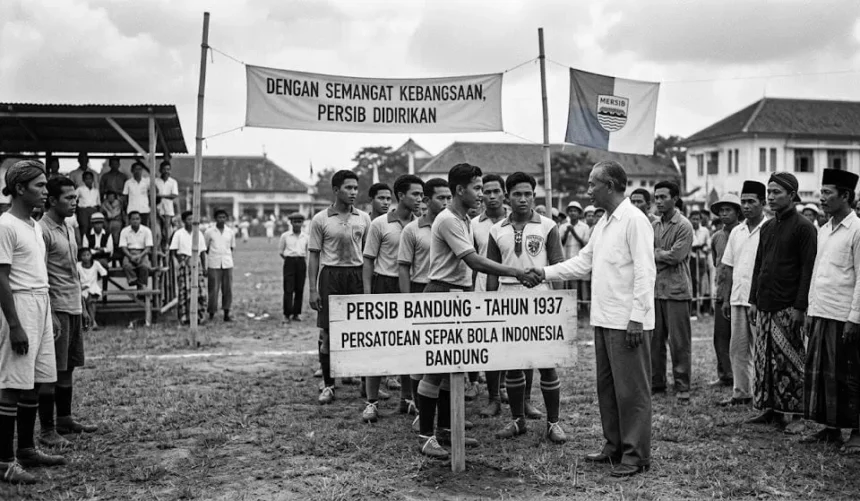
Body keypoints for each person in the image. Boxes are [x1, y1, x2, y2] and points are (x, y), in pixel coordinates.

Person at [527, 160, 655, 477]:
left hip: (627, 322)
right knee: (608, 389)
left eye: (592, 184)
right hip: (604, 318)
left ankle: (636, 454)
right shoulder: (605, 223)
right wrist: (543, 272)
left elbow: (645, 272)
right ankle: (614, 445)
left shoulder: (635, 221)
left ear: (609, 185)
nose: (587, 191)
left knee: (632, 391)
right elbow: (583, 263)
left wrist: (637, 317)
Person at [415, 163, 533, 459]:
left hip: (458, 294)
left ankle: (446, 430)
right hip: (442, 293)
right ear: (459, 190)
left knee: (451, 368)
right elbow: (474, 262)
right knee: (435, 370)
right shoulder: (448, 220)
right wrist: (514, 272)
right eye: (477, 188)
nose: (481, 194)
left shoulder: (462, 218)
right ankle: (426, 436)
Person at [486, 172, 567, 444]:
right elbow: (491, 273)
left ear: (534, 195)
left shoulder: (547, 226)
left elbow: (557, 267)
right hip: (507, 296)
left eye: (528, 194)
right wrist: (489, 305)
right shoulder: (496, 230)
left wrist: (557, 306)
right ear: (508, 196)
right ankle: (518, 420)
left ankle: (553, 423)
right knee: (513, 364)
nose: (523, 199)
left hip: (539, 297)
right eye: (517, 194)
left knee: (546, 363)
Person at [0, 160, 65, 484]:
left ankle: (26, 449)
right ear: (20, 188)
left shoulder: (34, 226)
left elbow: (39, 275)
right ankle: (5, 462)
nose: (45, 191)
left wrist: (49, 311)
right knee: (13, 383)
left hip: (40, 303)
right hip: (20, 304)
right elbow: (2, 277)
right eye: (39, 186)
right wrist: (14, 325)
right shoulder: (5, 225)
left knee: (37, 381)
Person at [748, 172, 817, 433]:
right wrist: (753, 300)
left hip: (788, 305)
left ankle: (797, 415)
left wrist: (801, 307)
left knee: (791, 360)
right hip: (765, 304)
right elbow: (759, 266)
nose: (771, 196)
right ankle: (772, 411)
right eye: (770, 191)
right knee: (764, 359)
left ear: (792, 195)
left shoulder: (804, 227)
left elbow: (807, 271)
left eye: (777, 192)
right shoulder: (767, 227)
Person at [38, 175, 99, 452]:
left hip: (73, 306)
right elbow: (40, 276)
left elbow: (73, 272)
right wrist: (49, 313)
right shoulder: (42, 231)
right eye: (69, 198)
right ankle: (47, 430)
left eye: (76, 198)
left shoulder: (68, 227)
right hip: (56, 308)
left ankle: (65, 420)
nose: (75, 202)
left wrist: (84, 307)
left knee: (69, 367)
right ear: (51, 200)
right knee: (52, 371)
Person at [802, 169, 860, 448]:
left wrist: (854, 318)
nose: (821, 198)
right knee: (825, 375)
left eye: (827, 193)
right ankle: (831, 428)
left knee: (850, 375)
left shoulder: (857, 230)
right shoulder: (824, 230)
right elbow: (817, 273)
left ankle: (857, 432)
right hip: (822, 312)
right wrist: (811, 310)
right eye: (821, 192)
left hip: (844, 315)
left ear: (845, 196)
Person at [361, 175, 424, 423]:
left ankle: (407, 399)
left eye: (422, 195)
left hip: (410, 286)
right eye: (415, 194)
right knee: (379, 345)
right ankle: (371, 402)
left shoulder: (422, 223)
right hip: (384, 283)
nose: (420, 199)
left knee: (410, 344)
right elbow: (368, 259)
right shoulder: (379, 223)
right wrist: (367, 294)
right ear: (401, 196)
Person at [308, 171, 372, 405]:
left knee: (361, 332)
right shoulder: (321, 219)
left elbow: (367, 255)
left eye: (356, 188)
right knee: (327, 332)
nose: (353, 192)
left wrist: (367, 286)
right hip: (331, 276)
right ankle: (328, 385)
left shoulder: (364, 218)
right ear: (336, 190)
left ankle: (366, 383)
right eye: (348, 188)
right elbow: (314, 256)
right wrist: (313, 290)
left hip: (356, 275)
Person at [397, 178, 451, 431]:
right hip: (421, 289)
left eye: (449, 197)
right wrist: (408, 302)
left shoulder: (456, 224)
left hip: (446, 292)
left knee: (446, 358)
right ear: (427, 201)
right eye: (441, 198)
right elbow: (404, 267)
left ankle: (447, 419)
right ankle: (421, 412)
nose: (447, 202)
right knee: (421, 358)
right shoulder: (412, 230)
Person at [719, 181, 768, 407]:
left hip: (760, 300)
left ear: (763, 203)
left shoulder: (770, 229)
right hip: (738, 298)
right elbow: (728, 266)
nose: (746, 206)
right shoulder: (737, 232)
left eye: (751, 202)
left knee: (761, 350)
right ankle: (741, 393)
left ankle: (763, 396)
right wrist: (727, 298)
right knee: (737, 348)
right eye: (744, 202)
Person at [472, 174, 512, 412]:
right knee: (488, 342)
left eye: (496, 191)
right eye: (487, 192)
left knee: (511, 342)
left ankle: (513, 390)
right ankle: (493, 396)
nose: (492, 196)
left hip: (510, 287)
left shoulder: (515, 220)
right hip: (483, 288)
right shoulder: (474, 224)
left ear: (504, 193)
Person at [651, 181, 694, 402]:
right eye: (656, 197)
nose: (658, 201)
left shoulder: (684, 225)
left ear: (675, 198)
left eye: (663, 197)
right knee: (654, 341)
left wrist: (656, 254)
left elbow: (676, 256)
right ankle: (657, 383)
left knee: (679, 343)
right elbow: (644, 253)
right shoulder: (654, 225)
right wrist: (660, 254)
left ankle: (682, 385)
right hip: (656, 290)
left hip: (677, 291)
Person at [709, 194, 743, 389]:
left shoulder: (743, 233)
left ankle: (741, 377)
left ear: (737, 212)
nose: (724, 214)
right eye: (721, 211)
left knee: (740, 338)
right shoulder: (717, 237)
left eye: (728, 210)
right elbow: (717, 262)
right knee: (720, 336)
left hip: (740, 293)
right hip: (722, 293)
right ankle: (725, 375)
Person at [170, 211, 207, 325]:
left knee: (199, 291)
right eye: (189, 219)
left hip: (197, 263)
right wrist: (181, 261)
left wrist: (204, 268)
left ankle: (199, 316)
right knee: (184, 291)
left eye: (193, 219)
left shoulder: (199, 234)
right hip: (184, 263)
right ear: (184, 221)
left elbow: (202, 252)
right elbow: (173, 250)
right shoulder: (178, 233)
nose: (191, 222)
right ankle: (184, 317)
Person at [204, 209, 235, 322]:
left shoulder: (230, 232)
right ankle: (211, 312)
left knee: (227, 289)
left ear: (226, 219)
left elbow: (231, 247)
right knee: (213, 289)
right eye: (219, 217)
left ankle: (227, 312)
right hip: (214, 263)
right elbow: (205, 248)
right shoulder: (209, 232)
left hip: (227, 263)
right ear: (215, 219)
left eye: (223, 217)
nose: (221, 219)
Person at [279, 213, 308, 323]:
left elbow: (307, 251)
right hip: (289, 262)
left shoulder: (306, 237)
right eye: (295, 221)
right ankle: (287, 314)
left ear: (302, 223)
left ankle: (296, 313)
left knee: (299, 288)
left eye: (299, 222)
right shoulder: (285, 236)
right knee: (288, 288)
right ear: (291, 223)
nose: (297, 224)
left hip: (301, 262)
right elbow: (281, 251)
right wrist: (289, 260)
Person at [561, 201, 590, 302]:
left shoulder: (584, 227)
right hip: (566, 258)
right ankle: (570, 304)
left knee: (579, 283)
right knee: (567, 283)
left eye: (575, 211)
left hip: (579, 258)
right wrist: (567, 233)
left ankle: (580, 305)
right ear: (568, 213)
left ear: (579, 213)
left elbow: (584, 244)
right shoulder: (563, 227)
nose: (573, 213)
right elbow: (561, 243)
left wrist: (573, 232)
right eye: (571, 211)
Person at [119, 211, 153, 289]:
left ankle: (142, 288)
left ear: (140, 220)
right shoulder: (124, 231)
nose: (135, 221)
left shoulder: (146, 230)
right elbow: (123, 247)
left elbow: (148, 248)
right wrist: (130, 256)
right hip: (129, 252)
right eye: (133, 219)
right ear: (129, 220)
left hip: (142, 252)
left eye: (137, 219)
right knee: (126, 265)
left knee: (144, 266)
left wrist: (140, 256)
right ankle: (133, 280)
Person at [77, 248, 107, 331]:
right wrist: (81, 287)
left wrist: (97, 280)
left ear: (91, 255)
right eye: (83, 255)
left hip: (93, 287)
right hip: (82, 287)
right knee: (83, 299)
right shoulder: (78, 265)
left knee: (91, 301)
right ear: (80, 257)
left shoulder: (96, 264)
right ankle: (90, 322)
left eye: (88, 255)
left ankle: (92, 322)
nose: (86, 257)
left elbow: (104, 273)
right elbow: (75, 278)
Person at [690, 210, 711, 315]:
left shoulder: (705, 231)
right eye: (693, 219)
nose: (695, 221)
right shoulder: (688, 230)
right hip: (692, 259)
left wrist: (704, 248)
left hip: (702, 258)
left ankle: (703, 306)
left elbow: (708, 245)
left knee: (702, 282)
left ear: (700, 220)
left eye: (697, 219)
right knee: (693, 282)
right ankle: (693, 307)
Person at [154, 160, 179, 247]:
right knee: (157, 232)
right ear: (160, 170)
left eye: (168, 169)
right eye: (164, 169)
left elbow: (174, 195)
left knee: (167, 233)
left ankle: (166, 248)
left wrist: (161, 195)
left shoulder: (173, 182)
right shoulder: (155, 181)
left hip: (168, 211)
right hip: (157, 210)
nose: (166, 171)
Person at [122, 162, 151, 227]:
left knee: (144, 230)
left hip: (144, 210)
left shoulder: (147, 181)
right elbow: (125, 197)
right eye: (136, 169)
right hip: (132, 210)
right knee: (131, 230)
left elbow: (153, 192)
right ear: (132, 171)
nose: (138, 171)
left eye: (140, 169)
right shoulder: (128, 183)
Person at [75, 171, 100, 237]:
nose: (89, 180)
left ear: (93, 179)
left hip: (93, 210)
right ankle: (84, 245)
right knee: (84, 227)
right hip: (83, 211)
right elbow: (74, 199)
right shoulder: (80, 189)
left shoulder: (96, 191)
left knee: (93, 228)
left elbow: (98, 203)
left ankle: (92, 244)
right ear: (83, 180)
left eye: (90, 178)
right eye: (87, 179)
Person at [100, 190, 124, 261]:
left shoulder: (119, 204)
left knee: (116, 237)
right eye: (109, 197)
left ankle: (117, 254)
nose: (110, 198)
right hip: (107, 224)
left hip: (117, 222)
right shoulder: (104, 204)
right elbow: (102, 215)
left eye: (112, 196)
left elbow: (119, 214)